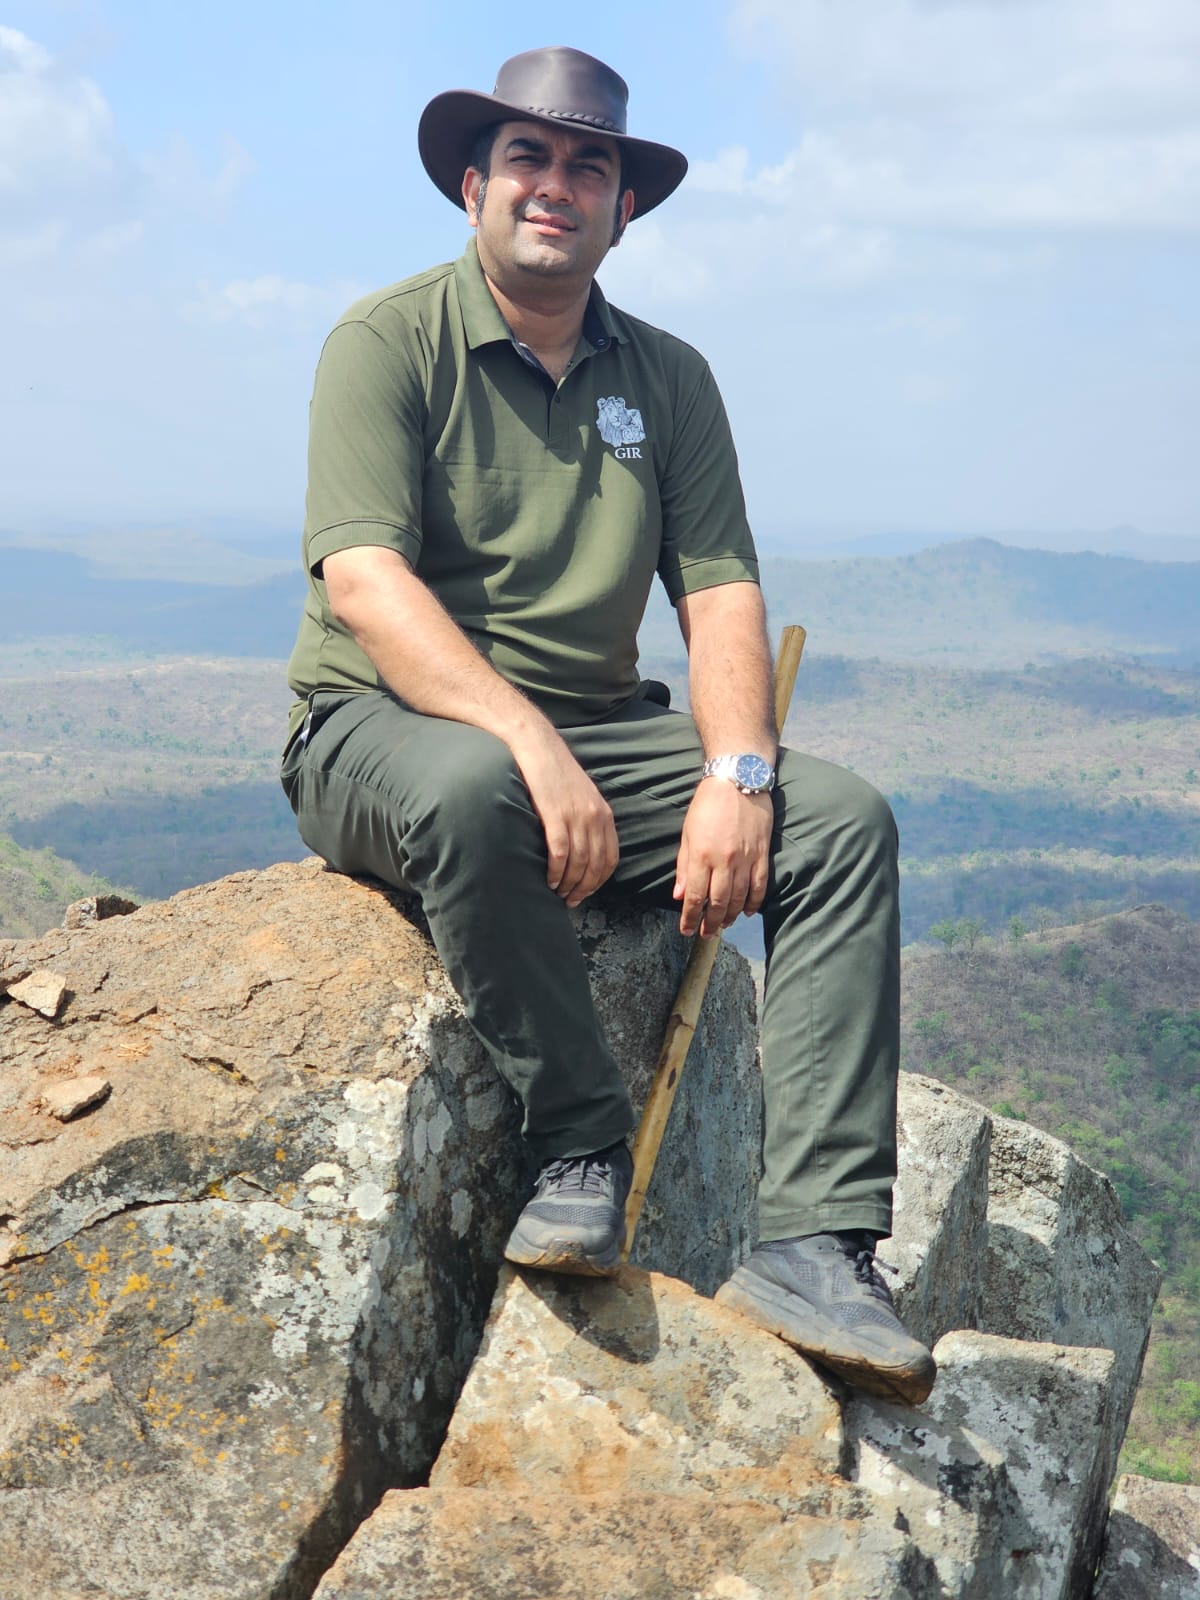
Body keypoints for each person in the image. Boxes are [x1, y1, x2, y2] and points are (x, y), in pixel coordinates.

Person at [281, 46, 935, 1406]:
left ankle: (815, 1245)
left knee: (839, 822)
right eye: (527, 156)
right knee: (473, 788)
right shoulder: (387, 340)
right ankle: (577, 1143)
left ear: (622, 210)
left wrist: (738, 775)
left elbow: (721, 590)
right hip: (379, 727)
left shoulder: (669, 378)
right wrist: (530, 746)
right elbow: (365, 581)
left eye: (590, 166)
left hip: (599, 734)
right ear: (473, 186)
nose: (556, 185)